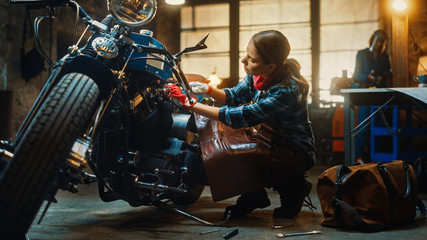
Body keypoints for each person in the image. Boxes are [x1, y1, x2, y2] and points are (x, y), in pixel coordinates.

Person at [166, 30, 315, 218]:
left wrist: (192, 105)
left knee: (231, 151)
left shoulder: (287, 91)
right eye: (246, 53)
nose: (244, 61)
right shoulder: (260, 75)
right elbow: (235, 95)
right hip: (266, 135)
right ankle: (255, 193)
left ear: (270, 66)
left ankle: (294, 187)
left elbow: (241, 116)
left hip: (291, 148)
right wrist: (208, 89)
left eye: (251, 59)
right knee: (213, 135)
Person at [353, 29, 392, 163]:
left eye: (382, 42)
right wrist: (368, 77)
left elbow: (388, 72)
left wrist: (382, 77)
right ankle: (357, 157)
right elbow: (356, 75)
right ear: (372, 39)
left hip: (380, 96)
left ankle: (376, 158)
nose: (379, 44)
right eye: (377, 41)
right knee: (363, 126)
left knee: (379, 126)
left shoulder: (384, 56)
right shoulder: (362, 54)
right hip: (365, 95)